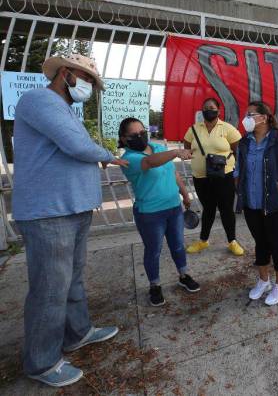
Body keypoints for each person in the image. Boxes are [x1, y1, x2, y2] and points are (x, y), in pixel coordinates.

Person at [12, 54, 127, 387]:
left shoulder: (63, 108)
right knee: (50, 288)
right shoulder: (39, 99)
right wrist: (110, 156)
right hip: (49, 211)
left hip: (71, 208)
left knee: (71, 277)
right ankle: (42, 361)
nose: (91, 87)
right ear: (66, 74)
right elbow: (77, 146)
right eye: (87, 79)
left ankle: (77, 332)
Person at [119, 118, 201, 307]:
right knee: (153, 251)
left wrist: (185, 194)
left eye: (142, 132)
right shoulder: (128, 159)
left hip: (173, 207)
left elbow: (173, 173)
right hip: (150, 213)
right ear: (124, 139)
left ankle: (183, 274)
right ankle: (154, 285)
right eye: (134, 135)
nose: (140, 136)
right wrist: (176, 152)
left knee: (178, 245)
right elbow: (149, 163)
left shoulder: (158, 148)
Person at [235, 102, 278, 306]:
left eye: (251, 114)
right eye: (246, 114)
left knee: (277, 243)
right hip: (251, 204)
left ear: (264, 118)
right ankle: (263, 280)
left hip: (277, 206)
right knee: (260, 243)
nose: (246, 118)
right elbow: (238, 168)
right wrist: (238, 185)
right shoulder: (244, 142)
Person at [183, 98, 244, 256]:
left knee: (226, 210)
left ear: (218, 110)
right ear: (202, 111)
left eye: (211, 107)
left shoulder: (228, 129)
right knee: (208, 209)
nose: (208, 110)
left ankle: (232, 241)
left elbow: (239, 151)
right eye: (205, 108)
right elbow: (187, 148)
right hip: (201, 178)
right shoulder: (194, 129)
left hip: (224, 177)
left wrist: (236, 172)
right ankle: (203, 241)